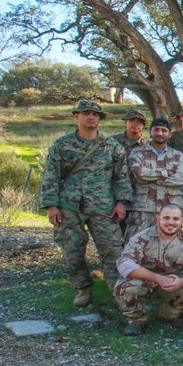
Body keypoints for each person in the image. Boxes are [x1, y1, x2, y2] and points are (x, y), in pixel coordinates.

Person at [41, 99, 132, 307]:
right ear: (77, 116)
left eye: (95, 114)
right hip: (70, 206)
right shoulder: (62, 146)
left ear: (100, 118)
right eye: (86, 113)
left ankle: (118, 290)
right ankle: (82, 288)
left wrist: (122, 203)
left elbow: (121, 177)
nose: (91, 117)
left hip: (104, 207)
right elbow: (51, 177)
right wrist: (51, 205)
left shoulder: (112, 147)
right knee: (72, 250)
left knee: (113, 250)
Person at [115, 204, 183, 336]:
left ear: (182, 220)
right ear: (158, 218)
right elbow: (125, 264)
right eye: (166, 218)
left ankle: (168, 314)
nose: (171, 222)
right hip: (145, 283)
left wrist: (182, 281)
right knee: (125, 287)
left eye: (175, 219)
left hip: (174, 284)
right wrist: (158, 278)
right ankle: (136, 320)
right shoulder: (143, 237)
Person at [125, 117, 183, 242]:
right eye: (156, 130)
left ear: (169, 134)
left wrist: (152, 178)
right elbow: (140, 174)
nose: (160, 133)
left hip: (170, 207)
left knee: (168, 242)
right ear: (150, 132)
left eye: (164, 130)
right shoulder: (137, 153)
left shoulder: (178, 155)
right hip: (143, 207)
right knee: (137, 242)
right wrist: (166, 173)